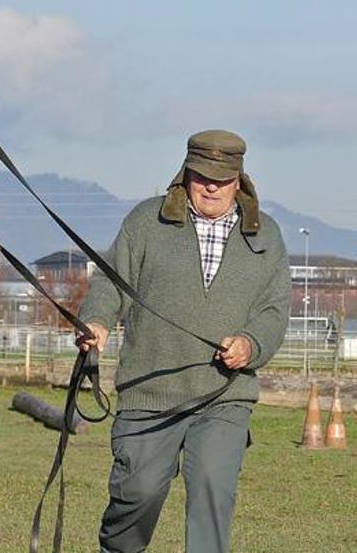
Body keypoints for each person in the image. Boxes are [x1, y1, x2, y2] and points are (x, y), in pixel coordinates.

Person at [76, 129, 291, 553]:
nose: (211, 185)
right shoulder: (146, 221)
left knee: (213, 490)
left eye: (223, 178)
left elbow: (274, 311)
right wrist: (97, 321)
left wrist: (250, 344)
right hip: (148, 392)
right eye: (202, 175)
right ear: (185, 173)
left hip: (225, 395)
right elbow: (110, 281)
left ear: (239, 180)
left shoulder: (267, 236)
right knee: (137, 494)